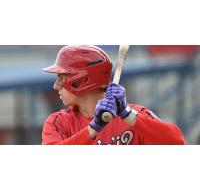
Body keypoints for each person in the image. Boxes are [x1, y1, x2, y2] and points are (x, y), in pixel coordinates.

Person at [42, 45, 185, 145]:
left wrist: (128, 115)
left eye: (61, 78)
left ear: (82, 80)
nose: (56, 86)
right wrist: (94, 128)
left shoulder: (135, 115)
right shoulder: (58, 122)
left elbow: (176, 142)